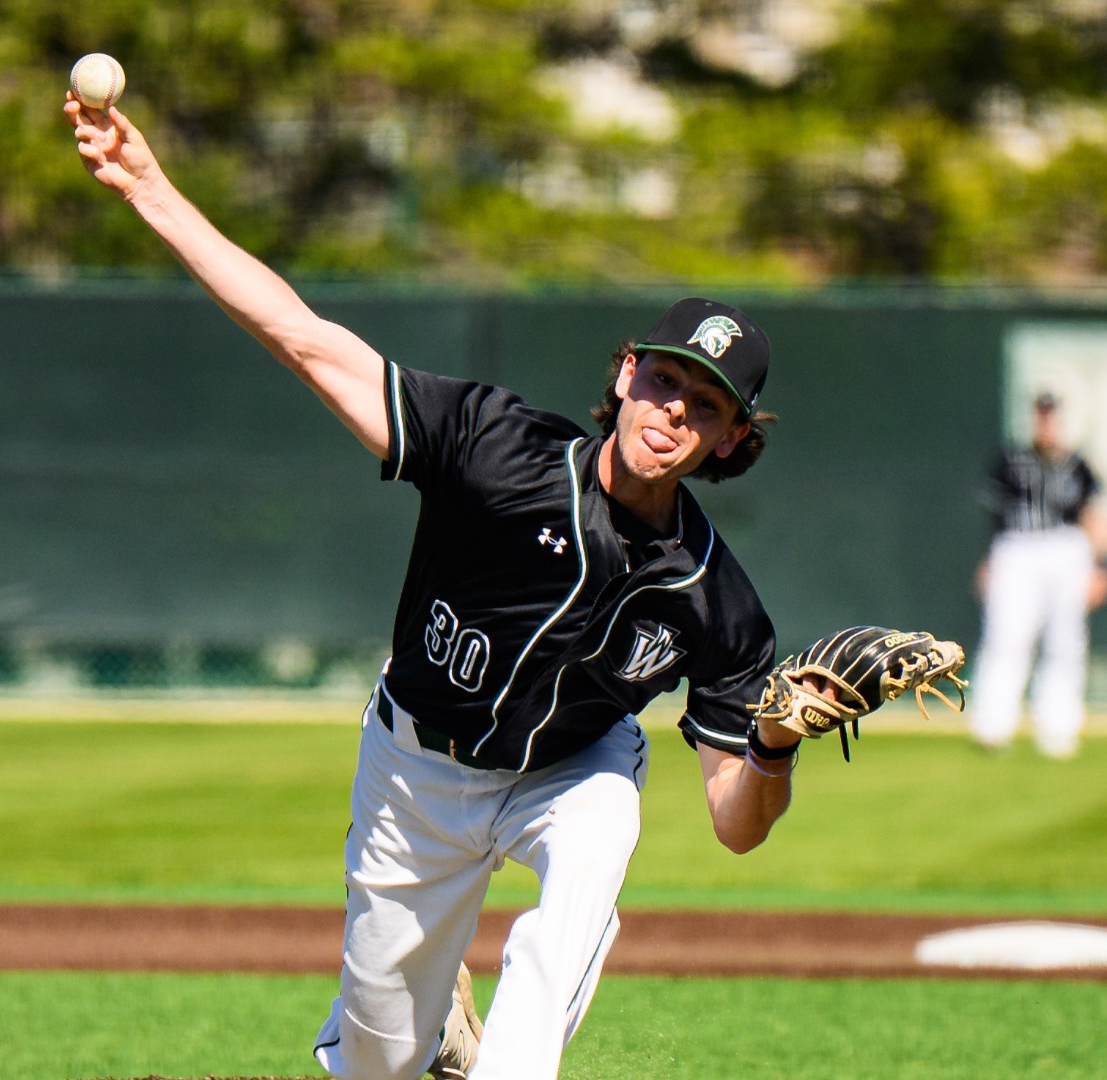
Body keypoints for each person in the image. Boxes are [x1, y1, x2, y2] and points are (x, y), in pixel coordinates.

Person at [67, 96, 812, 1080]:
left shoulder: (715, 600)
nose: (672, 408)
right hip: (414, 769)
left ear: (729, 439)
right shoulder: (494, 445)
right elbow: (301, 337)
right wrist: (151, 189)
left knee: (596, 849)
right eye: (664, 379)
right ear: (626, 373)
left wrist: (770, 748)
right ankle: (440, 1043)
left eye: (703, 403)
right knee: (378, 1063)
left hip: (568, 771)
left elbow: (735, 824)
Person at [969, 391, 1107, 759]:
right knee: (1006, 636)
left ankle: (1059, 729)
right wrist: (990, 561)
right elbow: (996, 518)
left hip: (1066, 548)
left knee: (1065, 641)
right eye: (1041, 416)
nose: (1046, 424)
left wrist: (1099, 565)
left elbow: (1094, 514)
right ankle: (992, 726)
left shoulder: (1078, 464)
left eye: (1052, 417)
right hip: (1018, 547)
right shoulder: (1010, 461)